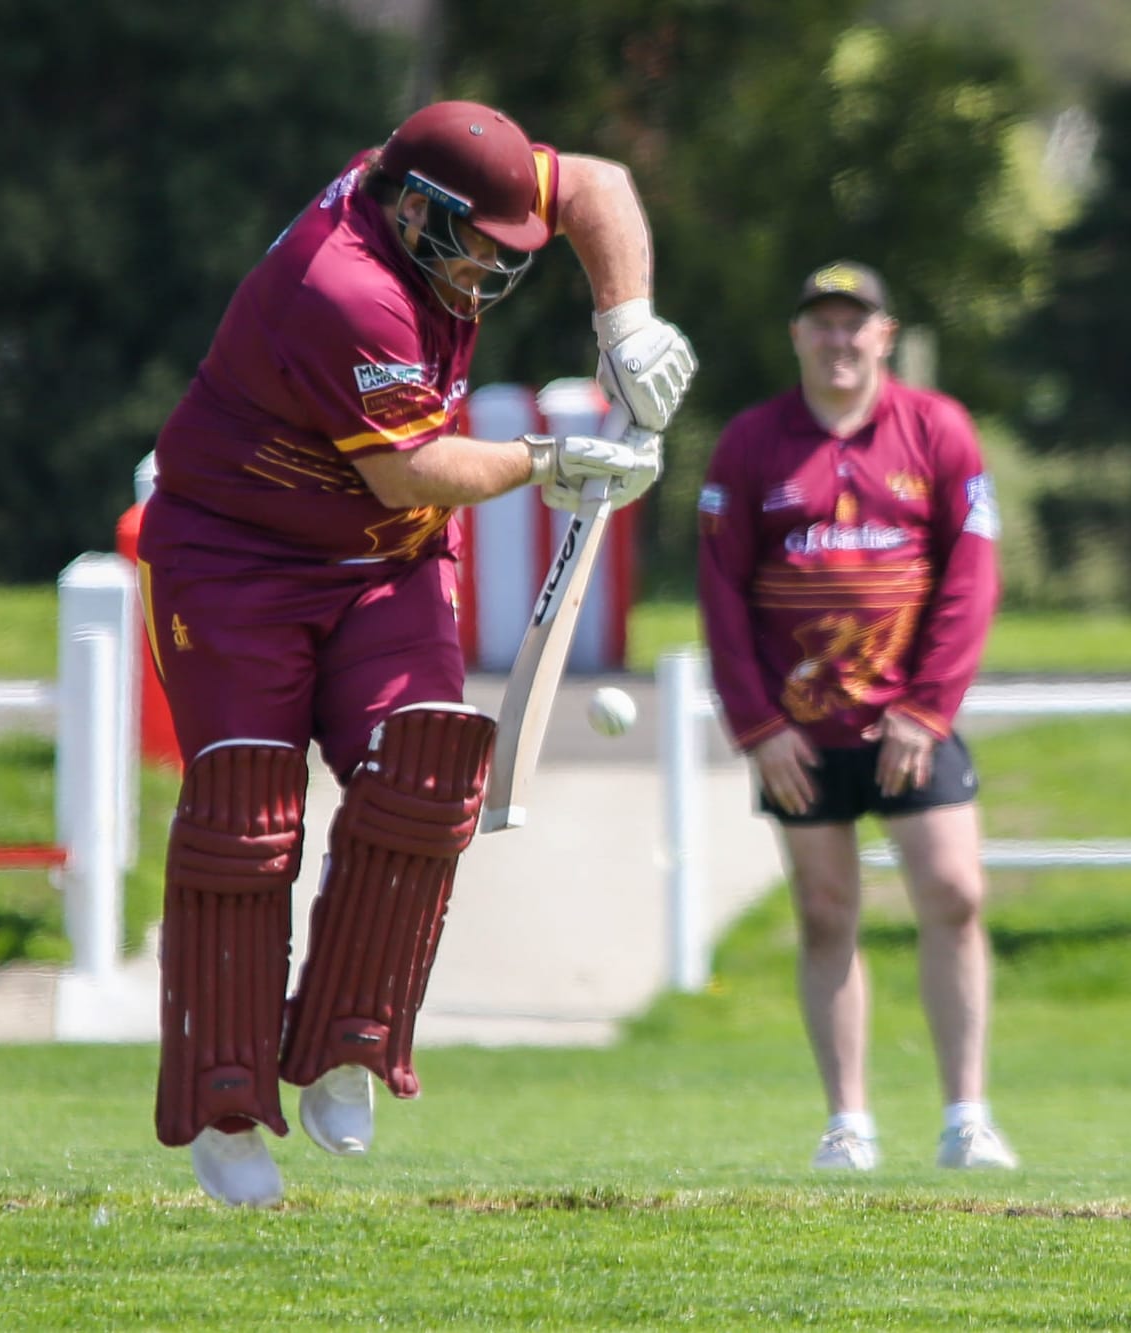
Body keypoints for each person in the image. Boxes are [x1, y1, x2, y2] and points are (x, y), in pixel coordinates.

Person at [138, 100, 696, 1205]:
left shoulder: (433, 179)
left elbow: (595, 184)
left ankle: (348, 1037)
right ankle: (225, 1100)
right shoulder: (341, 287)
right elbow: (411, 471)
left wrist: (626, 322)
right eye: (478, 244)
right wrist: (547, 457)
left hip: (383, 562)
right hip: (234, 559)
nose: (492, 266)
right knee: (247, 812)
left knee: (428, 768)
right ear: (412, 208)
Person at [695, 261, 1017, 1172]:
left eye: (856, 324)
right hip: (798, 732)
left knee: (956, 893)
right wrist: (757, 726)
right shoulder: (752, 443)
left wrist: (927, 706)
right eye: (822, 324)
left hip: (909, 724)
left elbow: (971, 577)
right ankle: (849, 1122)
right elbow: (720, 594)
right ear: (798, 335)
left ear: (886, 332)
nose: (839, 340)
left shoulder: (937, 429)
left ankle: (967, 1116)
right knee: (828, 912)